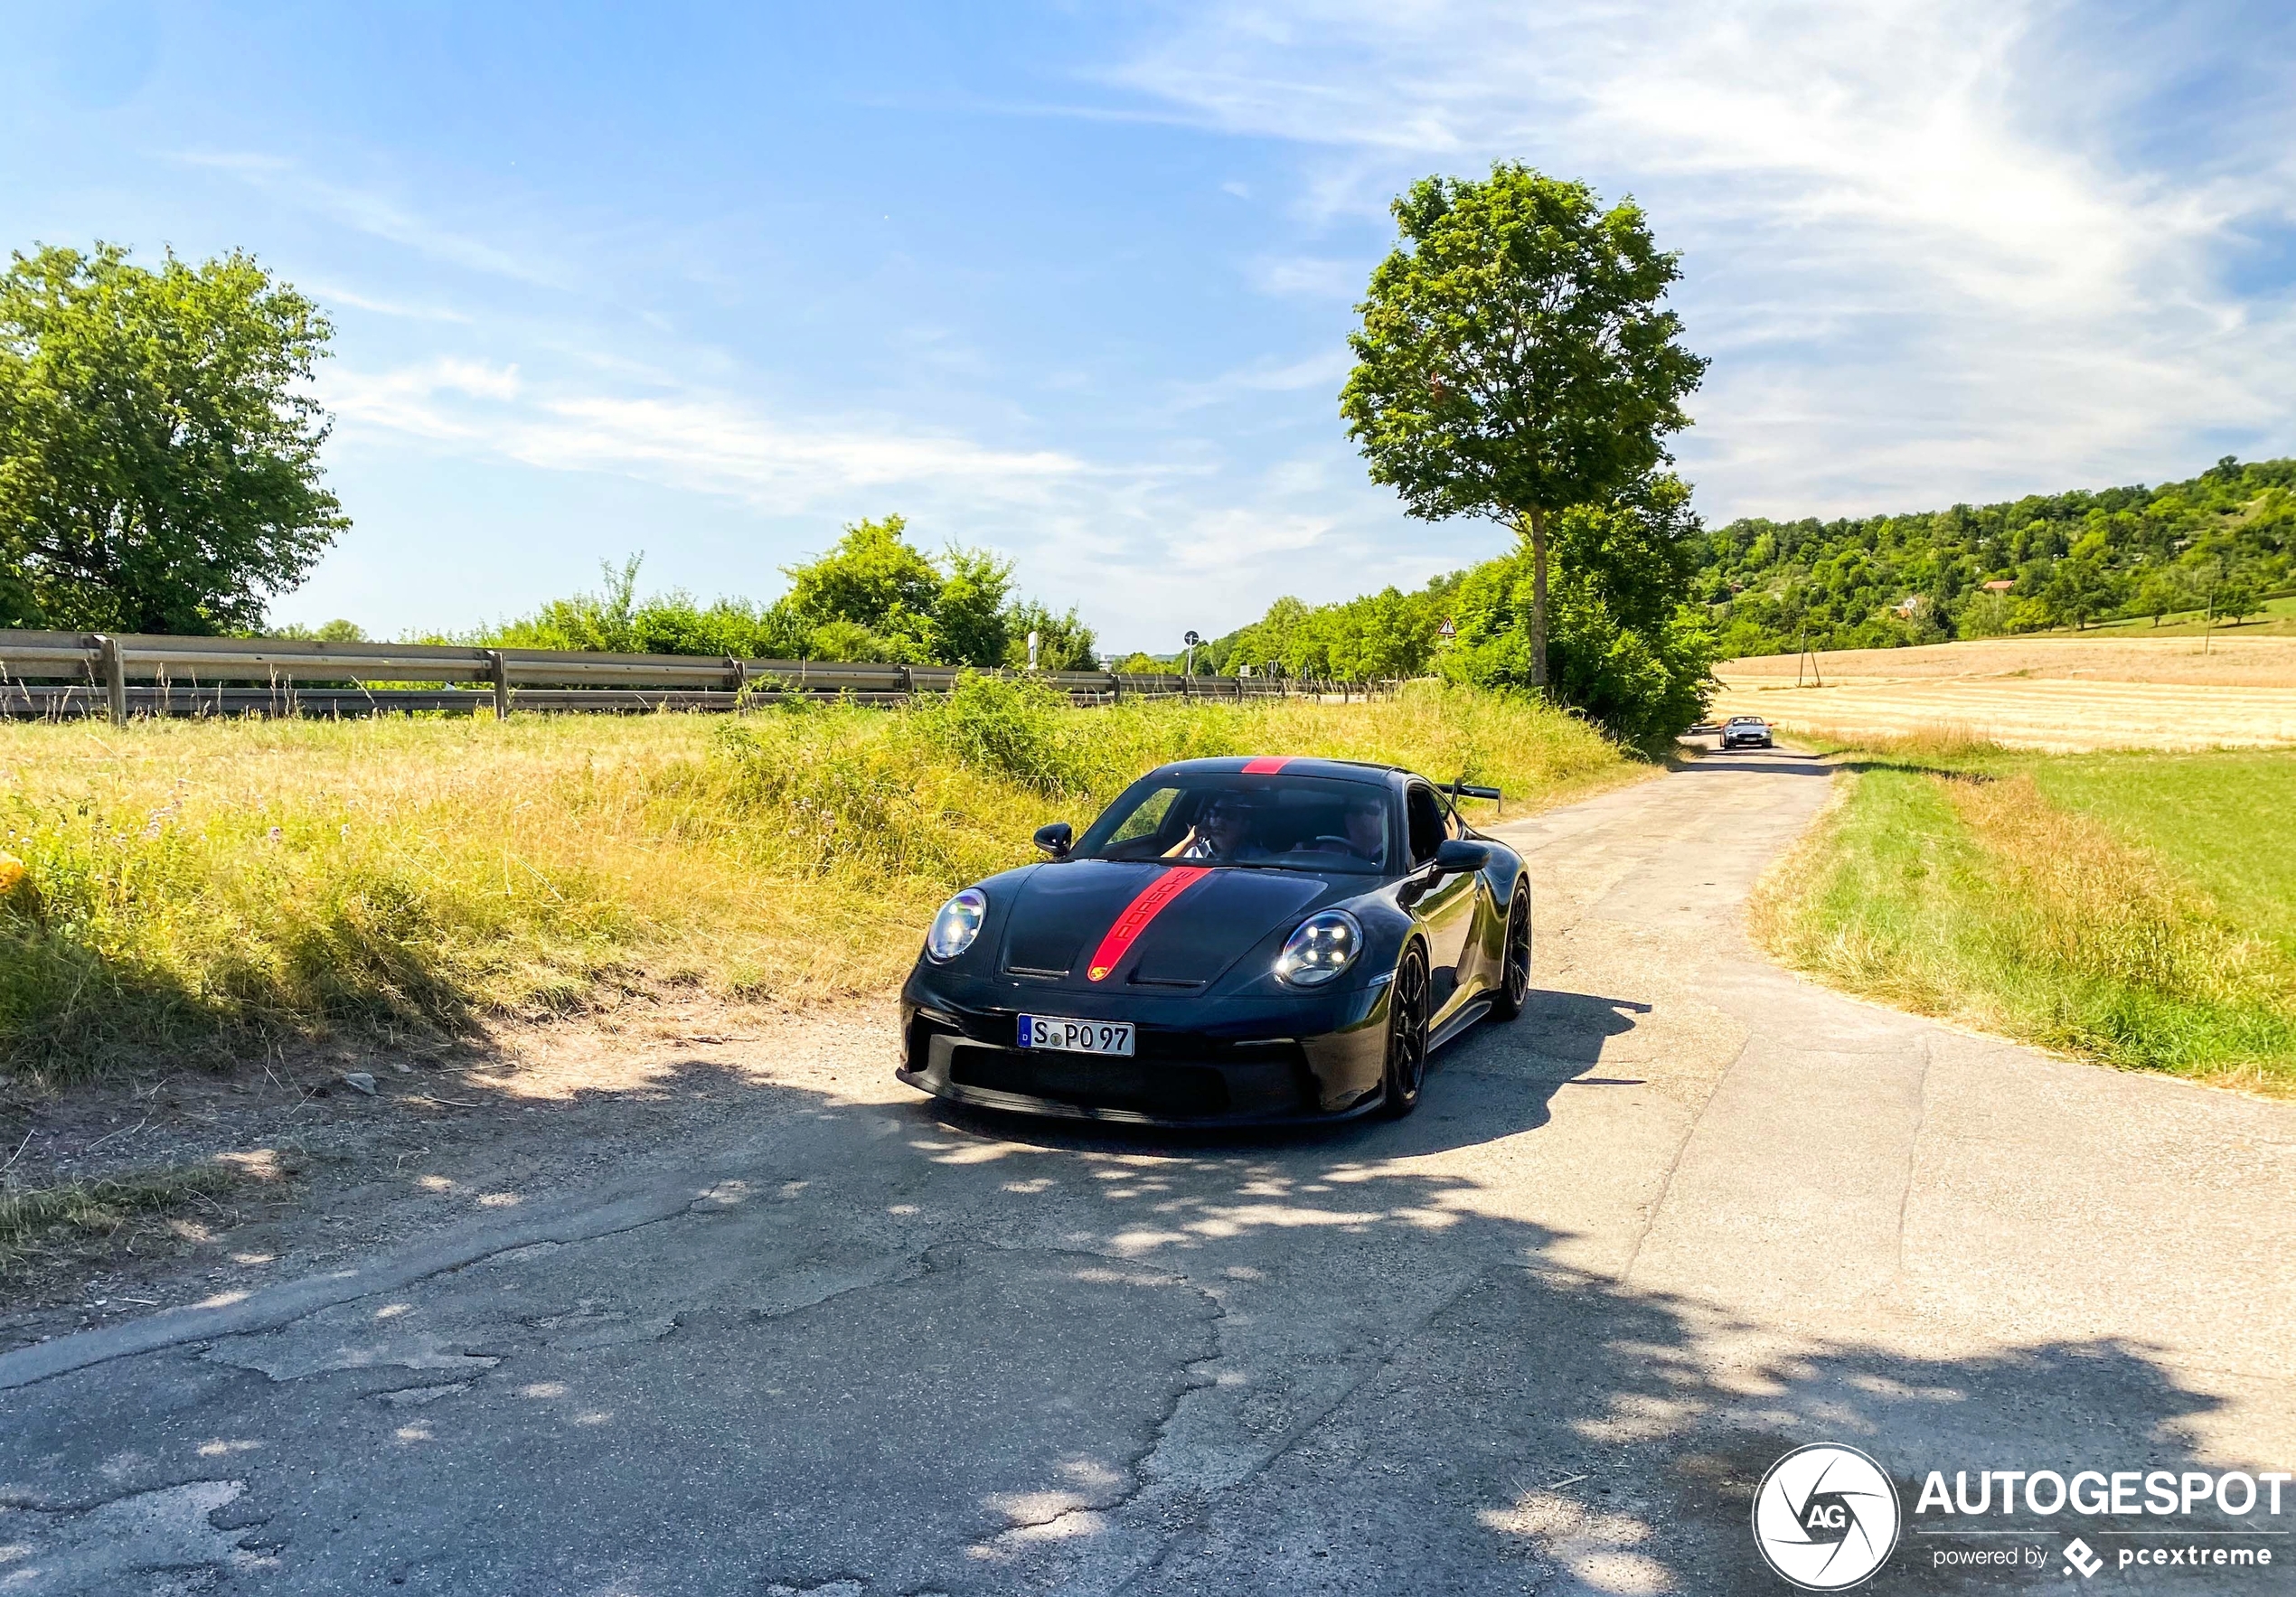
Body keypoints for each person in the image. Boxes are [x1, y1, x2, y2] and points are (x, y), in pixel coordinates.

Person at [1173, 792, 1267, 862]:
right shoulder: (1195, 852)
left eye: (1229, 816)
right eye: (1214, 813)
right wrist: (1188, 842)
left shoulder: (1259, 858)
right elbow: (1160, 871)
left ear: (1245, 826)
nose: (1219, 821)